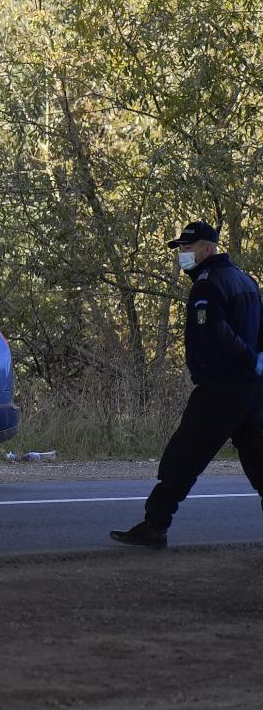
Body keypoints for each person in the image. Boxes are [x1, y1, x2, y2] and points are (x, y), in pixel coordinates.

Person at [111, 220, 263, 548]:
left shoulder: (209, 284)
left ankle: (154, 526)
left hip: (220, 389)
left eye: (187, 247)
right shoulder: (246, 282)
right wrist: (256, 363)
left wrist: (249, 359)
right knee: (259, 458)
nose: (181, 253)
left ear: (207, 249)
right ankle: (154, 525)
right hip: (252, 391)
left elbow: (216, 332)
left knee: (183, 457)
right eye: (180, 247)